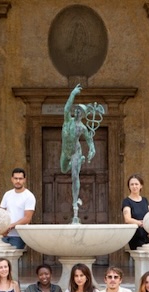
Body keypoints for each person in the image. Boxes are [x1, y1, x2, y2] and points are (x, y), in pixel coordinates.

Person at [60, 83, 103, 223]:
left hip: (75, 152)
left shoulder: (83, 127)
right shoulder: (67, 120)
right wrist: (73, 94)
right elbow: (66, 108)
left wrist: (92, 149)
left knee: (74, 175)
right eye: (76, 109)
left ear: (83, 115)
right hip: (65, 151)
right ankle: (79, 161)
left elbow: (90, 141)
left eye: (80, 111)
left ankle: (74, 203)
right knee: (63, 169)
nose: (77, 112)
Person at [0, 168, 36, 249]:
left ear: (24, 180)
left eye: (20, 178)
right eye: (16, 178)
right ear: (12, 179)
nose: (18, 181)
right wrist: (2, 229)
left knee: (13, 259)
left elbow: (27, 218)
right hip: (4, 234)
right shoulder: (7, 194)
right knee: (1, 259)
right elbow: (1, 213)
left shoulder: (29, 196)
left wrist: (11, 226)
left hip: (19, 235)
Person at [122, 174, 149, 250]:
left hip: (148, 234)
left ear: (141, 186)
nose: (134, 186)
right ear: (129, 186)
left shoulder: (145, 200)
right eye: (131, 184)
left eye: (136, 184)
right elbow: (127, 219)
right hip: (135, 235)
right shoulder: (126, 201)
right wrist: (140, 223)